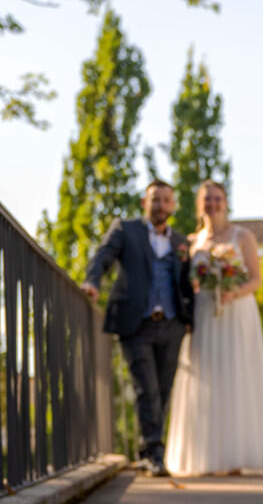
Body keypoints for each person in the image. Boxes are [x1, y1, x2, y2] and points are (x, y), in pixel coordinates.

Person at [165, 180, 263, 475]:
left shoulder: (244, 237)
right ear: (199, 204)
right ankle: (203, 456)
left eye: (217, 198)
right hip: (203, 314)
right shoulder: (192, 242)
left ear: (226, 202)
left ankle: (234, 457)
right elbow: (186, 283)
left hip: (237, 313)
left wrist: (233, 292)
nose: (212, 204)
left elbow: (256, 279)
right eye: (207, 199)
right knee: (204, 382)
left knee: (236, 379)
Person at [81, 179, 193, 476]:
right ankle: (154, 454)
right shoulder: (125, 229)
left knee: (164, 391)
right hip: (136, 323)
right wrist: (93, 282)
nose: (160, 205)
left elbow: (187, 284)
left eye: (166, 200)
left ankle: (149, 451)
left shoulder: (181, 242)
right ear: (145, 202)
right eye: (155, 199)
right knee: (147, 389)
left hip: (172, 324)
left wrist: (190, 318)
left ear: (173, 206)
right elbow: (103, 255)